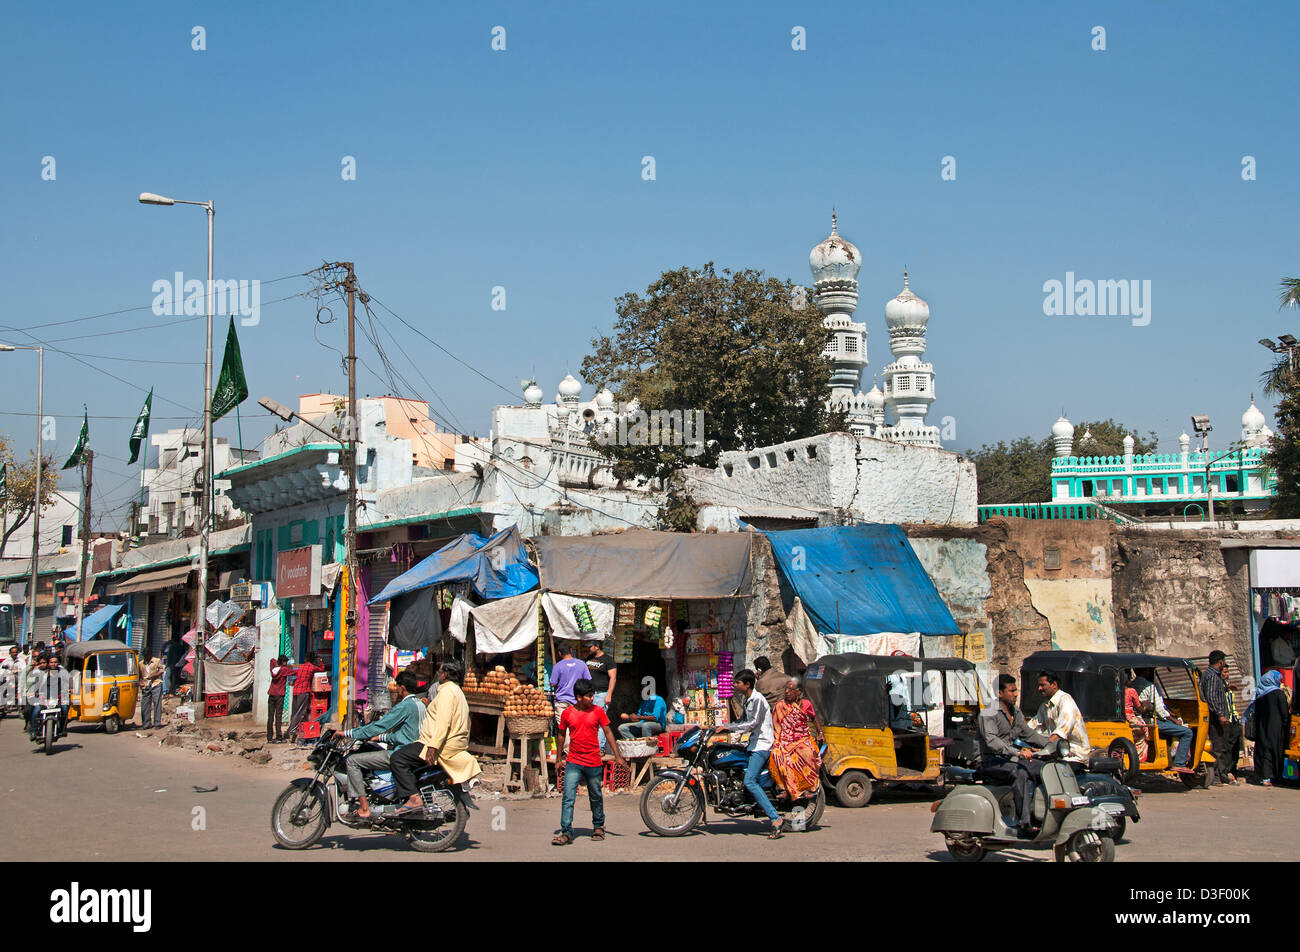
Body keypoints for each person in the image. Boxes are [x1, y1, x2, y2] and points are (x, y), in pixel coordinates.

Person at [390, 661, 481, 816]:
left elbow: (443, 721)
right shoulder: (456, 691)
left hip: (439, 744)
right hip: (450, 743)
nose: (438, 674)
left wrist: (433, 746)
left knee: (397, 758)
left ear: (445, 675)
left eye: (440, 672)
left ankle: (413, 799)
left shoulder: (446, 692)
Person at [341, 670, 426, 819]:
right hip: (415, 749)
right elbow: (406, 734)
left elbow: (379, 725)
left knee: (352, 761)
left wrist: (349, 733)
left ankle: (364, 807)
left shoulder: (404, 706)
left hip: (402, 752)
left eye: (398, 686)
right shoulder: (420, 705)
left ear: (402, 688)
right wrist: (381, 738)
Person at [552, 679, 628, 845]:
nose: (592, 699)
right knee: (568, 797)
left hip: (593, 761)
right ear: (579, 697)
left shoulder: (598, 711)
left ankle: (598, 825)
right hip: (573, 761)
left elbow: (608, 732)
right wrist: (558, 759)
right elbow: (561, 735)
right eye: (589, 696)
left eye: (593, 695)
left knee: (595, 795)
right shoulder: (567, 714)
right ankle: (566, 831)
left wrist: (617, 755)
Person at [978, 674, 1051, 832]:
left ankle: (1040, 814)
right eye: (1012, 691)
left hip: (1009, 759)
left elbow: (1029, 734)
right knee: (1020, 772)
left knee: (1043, 768)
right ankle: (1024, 822)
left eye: (1016, 690)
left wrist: (1053, 745)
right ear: (999, 693)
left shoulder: (1016, 713)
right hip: (990, 761)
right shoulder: (988, 713)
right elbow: (992, 742)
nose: (1016, 694)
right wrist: (1017, 753)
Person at [717, 669, 783, 838]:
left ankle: (775, 819)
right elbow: (742, 721)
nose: (734, 685)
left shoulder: (758, 699)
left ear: (747, 685)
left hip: (762, 745)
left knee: (750, 781)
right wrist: (720, 727)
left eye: (737, 683)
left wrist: (729, 727)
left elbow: (753, 723)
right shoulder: (747, 699)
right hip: (753, 743)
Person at [768, 676, 823, 802]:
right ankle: (784, 789)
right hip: (785, 738)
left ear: (799, 691)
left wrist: (820, 732)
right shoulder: (780, 706)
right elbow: (776, 723)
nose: (787, 692)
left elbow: (813, 718)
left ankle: (809, 787)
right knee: (776, 755)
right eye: (786, 689)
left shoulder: (806, 704)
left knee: (807, 753)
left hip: (801, 737)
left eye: (790, 689)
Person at [1131, 668, 1192, 768]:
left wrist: (1169, 714)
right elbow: (1159, 709)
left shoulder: (1132, 685)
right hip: (1151, 721)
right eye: (1149, 671)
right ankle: (1179, 763)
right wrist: (1174, 720)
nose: (1150, 673)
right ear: (1144, 671)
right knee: (1187, 732)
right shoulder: (1149, 686)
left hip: (1138, 719)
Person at [1028, 671, 1090, 767]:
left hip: (1073, 757)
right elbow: (1032, 726)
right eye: (1038, 685)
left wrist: (1045, 746)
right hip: (1055, 756)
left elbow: (1061, 733)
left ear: (1054, 685)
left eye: (1042, 685)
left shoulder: (1065, 701)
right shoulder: (1044, 706)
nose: (1039, 689)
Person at [1202, 650, 1242, 785]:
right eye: (1223, 661)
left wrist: (1227, 687)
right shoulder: (1212, 676)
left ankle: (1222, 774)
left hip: (1217, 715)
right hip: (1216, 717)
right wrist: (1220, 714)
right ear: (1220, 662)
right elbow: (1212, 697)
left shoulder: (1212, 675)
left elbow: (1215, 691)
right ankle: (1218, 777)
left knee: (1222, 746)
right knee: (1219, 747)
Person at [1248, 670, 1290, 786]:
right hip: (1276, 729)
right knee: (1276, 751)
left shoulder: (1260, 694)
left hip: (1262, 728)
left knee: (1264, 751)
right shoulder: (1279, 694)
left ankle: (1265, 778)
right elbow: (1284, 713)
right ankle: (1277, 777)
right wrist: (1286, 726)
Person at [584, 641, 617, 751]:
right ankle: (590, 746)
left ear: (597, 647)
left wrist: (609, 695)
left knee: (600, 721)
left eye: (590, 646)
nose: (588, 649)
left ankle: (599, 748)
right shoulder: (588, 659)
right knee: (589, 721)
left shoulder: (608, 660)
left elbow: (613, 678)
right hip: (589, 694)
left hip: (601, 694)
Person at [548, 642, 590, 726]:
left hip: (561, 700)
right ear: (571, 650)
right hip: (577, 700)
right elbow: (587, 680)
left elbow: (552, 683)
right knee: (576, 726)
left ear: (559, 653)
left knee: (564, 727)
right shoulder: (582, 664)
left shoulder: (557, 666)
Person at [287, 653, 321, 742]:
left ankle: (292, 730)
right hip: (304, 691)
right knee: (300, 712)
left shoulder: (301, 667)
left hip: (296, 691)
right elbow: (321, 669)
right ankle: (292, 731)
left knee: (295, 712)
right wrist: (320, 661)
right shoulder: (312, 667)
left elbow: (293, 672)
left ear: (305, 659)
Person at [266, 655, 294, 743]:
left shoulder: (274, 669)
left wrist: (277, 664)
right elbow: (294, 672)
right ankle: (279, 736)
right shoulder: (284, 669)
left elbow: (272, 660)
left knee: (270, 717)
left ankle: (269, 737)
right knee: (278, 716)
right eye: (285, 662)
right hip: (279, 695)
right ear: (283, 662)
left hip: (271, 694)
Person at [1123, 671, 1149, 761]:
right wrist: (1145, 707)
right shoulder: (1131, 691)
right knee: (1145, 730)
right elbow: (1139, 709)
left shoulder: (1116, 690)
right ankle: (1138, 758)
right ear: (1128, 681)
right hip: (1130, 718)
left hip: (1121, 717)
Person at [138, 651, 165, 729]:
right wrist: (140, 683)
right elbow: (139, 675)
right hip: (145, 685)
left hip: (156, 684)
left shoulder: (156, 661)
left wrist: (153, 675)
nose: (146, 657)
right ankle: (146, 724)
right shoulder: (140, 663)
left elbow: (161, 671)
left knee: (157, 704)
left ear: (150, 655)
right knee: (145, 705)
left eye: (147, 655)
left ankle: (157, 723)